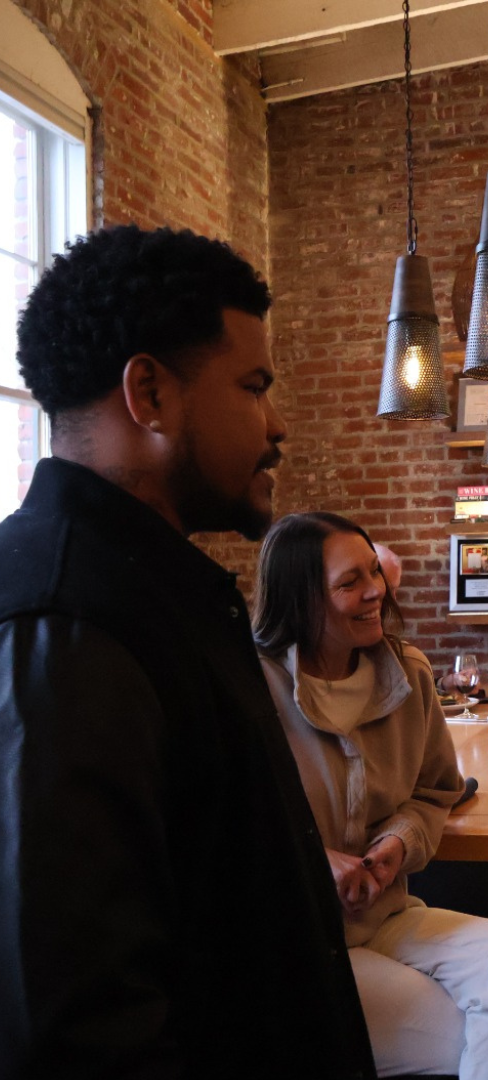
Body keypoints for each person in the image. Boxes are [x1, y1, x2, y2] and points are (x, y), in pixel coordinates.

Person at [0, 226, 375, 1078]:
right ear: (150, 394)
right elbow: (75, 1023)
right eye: (253, 386)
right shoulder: (65, 621)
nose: (277, 425)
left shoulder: (156, 592)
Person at [254, 511, 488, 1080]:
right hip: (292, 937)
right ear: (299, 598)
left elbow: (434, 793)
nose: (376, 592)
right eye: (350, 583)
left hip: (386, 917)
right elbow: (215, 828)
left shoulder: (407, 671)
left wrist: (398, 841)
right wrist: (313, 863)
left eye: (375, 572)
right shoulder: (250, 685)